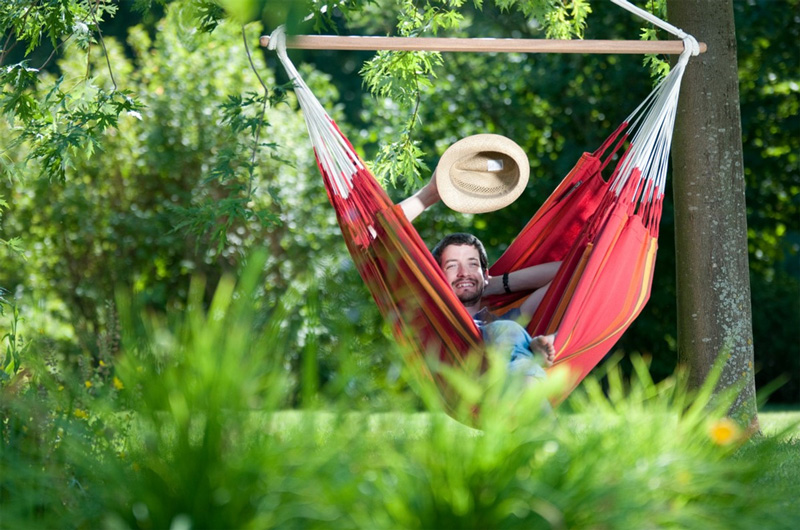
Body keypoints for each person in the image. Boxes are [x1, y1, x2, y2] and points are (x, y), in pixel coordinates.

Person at [399, 171, 558, 380]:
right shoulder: (430, 312)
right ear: (438, 276)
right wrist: (430, 194)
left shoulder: (507, 319)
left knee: (507, 329)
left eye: (472, 265)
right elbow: (377, 233)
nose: (464, 273)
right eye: (452, 266)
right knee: (507, 330)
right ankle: (527, 368)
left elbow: (568, 274)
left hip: (503, 383)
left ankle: (526, 364)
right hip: (463, 377)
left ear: (485, 274)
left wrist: (494, 284)